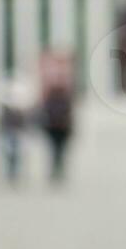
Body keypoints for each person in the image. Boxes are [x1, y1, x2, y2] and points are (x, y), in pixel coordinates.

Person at [37, 53, 77, 187]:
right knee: (56, 150)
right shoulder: (54, 91)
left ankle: (57, 169)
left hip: (60, 126)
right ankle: (56, 169)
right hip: (55, 126)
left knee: (58, 150)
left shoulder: (63, 91)